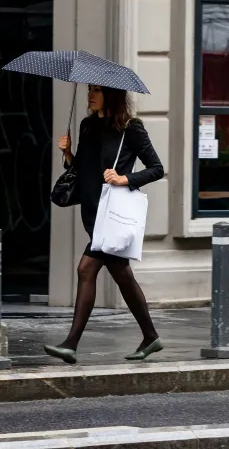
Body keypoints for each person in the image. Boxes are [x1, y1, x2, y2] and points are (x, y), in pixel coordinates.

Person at [44, 84, 164, 364]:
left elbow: (156, 168)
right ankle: (151, 336)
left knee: (86, 269)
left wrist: (125, 179)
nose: (90, 95)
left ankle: (71, 343)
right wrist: (69, 154)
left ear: (111, 95)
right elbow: (82, 170)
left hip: (112, 216)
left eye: (96, 90)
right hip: (93, 211)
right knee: (122, 275)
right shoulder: (87, 126)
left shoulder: (131, 128)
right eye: (89, 90)